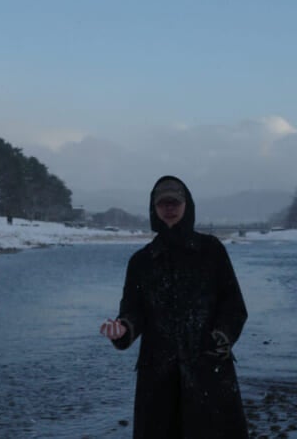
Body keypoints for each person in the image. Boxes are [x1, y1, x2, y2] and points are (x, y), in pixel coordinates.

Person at [100, 175, 249, 438]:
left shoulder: (211, 250)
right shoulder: (141, 261)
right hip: (158, 377)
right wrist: (123, 329)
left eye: (174, 202)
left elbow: (234, 305)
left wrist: (221, 338)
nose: (169, 208)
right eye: (162, 203)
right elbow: (133, 312)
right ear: (154, 209)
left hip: (209, 370)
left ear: (186, 205)